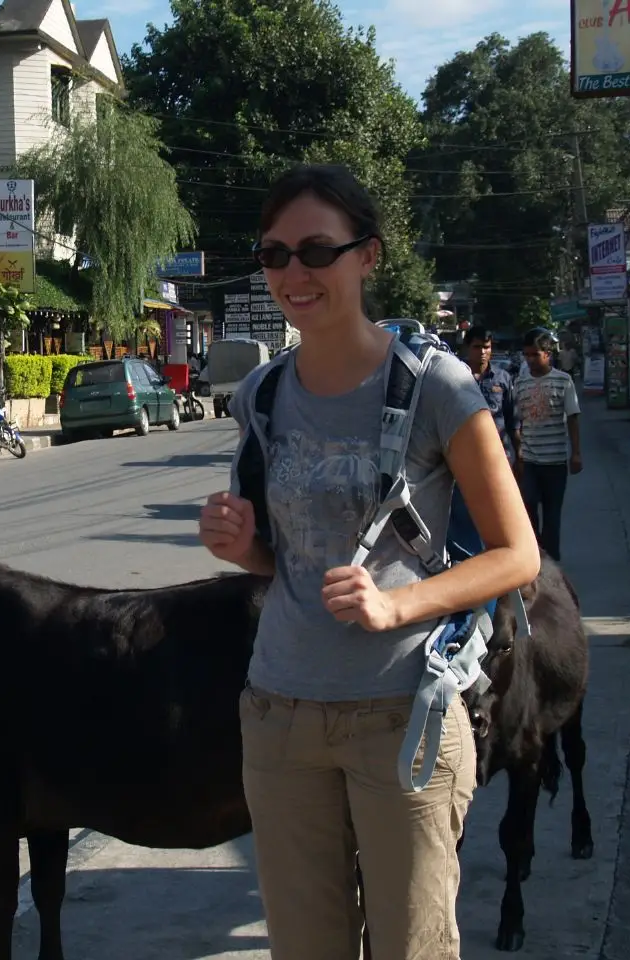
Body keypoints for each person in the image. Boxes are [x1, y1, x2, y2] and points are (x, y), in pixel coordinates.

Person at [196, 164, 539, 960]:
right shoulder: (263, 394)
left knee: (410, 948)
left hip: (402, 716)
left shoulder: (437, 388)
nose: (294, 274)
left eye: (317, 250)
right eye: (275, 254)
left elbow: (517, 555)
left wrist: (399, 605)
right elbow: (278, 560)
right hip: (280, 718)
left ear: (368, 257)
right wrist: (234, 540)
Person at [514, 328, 582, 562]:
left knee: (552, 515)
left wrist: (576, 453)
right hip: (531, 461)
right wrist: (519, 453)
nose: (530, 360)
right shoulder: (520, 383)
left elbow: (573, 417)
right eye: (527, 355)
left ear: (548, 354)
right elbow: (518, 422)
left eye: (535, 354)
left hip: (555, 461)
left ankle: (552, 562)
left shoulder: (563, 381)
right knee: (529, 506)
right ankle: (536, 556)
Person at [462, 326, 519, 464]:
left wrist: (519, 453)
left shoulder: (503, 378)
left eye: (486, 347)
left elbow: (512, 418)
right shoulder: (456, 376)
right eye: (476, 347)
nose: (482, 352)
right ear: (467, 348)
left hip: (499, 453)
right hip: (464, 454)